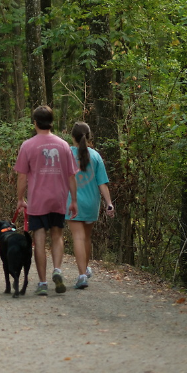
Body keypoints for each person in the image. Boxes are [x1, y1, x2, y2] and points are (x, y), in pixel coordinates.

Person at [14, 105, 78, 296]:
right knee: (57, 236)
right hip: (58, 198)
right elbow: (71, 176)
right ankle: (57, 270)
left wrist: (20, 198)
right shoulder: (64, 145)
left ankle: (42, 283)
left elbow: (22, 177)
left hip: (38, 201)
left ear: (35, 123)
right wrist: (73, 200)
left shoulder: (28, 145)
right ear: (52, 122)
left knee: (39, 240)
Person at [65, 122, 115, 289]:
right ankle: (84, 271)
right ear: (89, 136)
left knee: (77, 237)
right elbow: (102, 183)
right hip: (91, 203)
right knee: (86, 237)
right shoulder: (95, 156)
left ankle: (81, 276)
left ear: (72, 137)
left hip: (72, 202)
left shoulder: (67, 154)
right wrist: (109, 204)